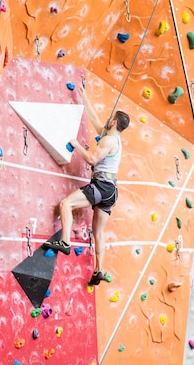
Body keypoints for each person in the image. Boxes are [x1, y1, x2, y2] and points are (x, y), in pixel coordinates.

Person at [44, 83, 130, 286]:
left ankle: (65, 240)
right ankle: (98, 270)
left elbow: (92, 159)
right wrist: (84, 98)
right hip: (110, 191)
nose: (108, 120)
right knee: (98, 232)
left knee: (66, 204)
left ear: (115, 121)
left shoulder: (108, 141)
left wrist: (76, 146)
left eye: (111, 118)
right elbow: (96, 120)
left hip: (101, 186)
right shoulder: (113, 138)